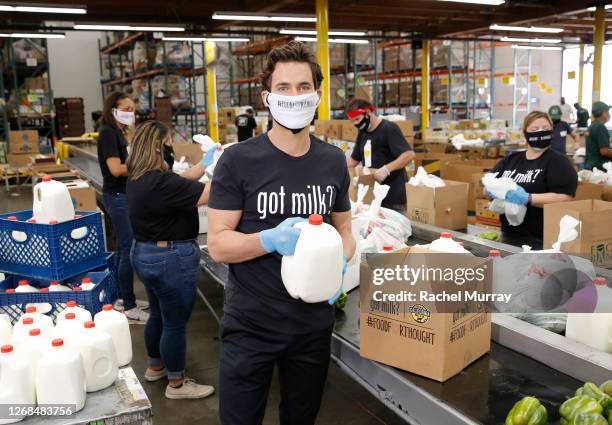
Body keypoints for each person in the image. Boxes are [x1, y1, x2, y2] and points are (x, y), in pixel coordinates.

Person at [207, 41, 356, 425]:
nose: (294, 96)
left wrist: (343, 257)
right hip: (251, 324)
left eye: (303, 87)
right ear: (267, 98)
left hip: (312, 325)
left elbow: (345, 227)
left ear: (318, 95)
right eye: (284, 88)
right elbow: (219, 244)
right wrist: (268, 239)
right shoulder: (238, 161)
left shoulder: (333, 160)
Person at [126, 120, 215, 399]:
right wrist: (228, 167)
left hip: (145, 253)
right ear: (156, 146)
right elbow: (207, 194)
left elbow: (181, 180)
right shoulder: (160, 182)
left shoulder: (140, 177)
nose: (170, 150)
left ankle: (156, 366)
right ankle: (177, 384)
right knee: (175, 323)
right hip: (170, 258)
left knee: (159, 315)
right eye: (167, 144)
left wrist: (205, 164)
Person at [97, 92, 149, 323]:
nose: (131, 112)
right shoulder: (108, 133)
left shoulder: (119, 132)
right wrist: (143, 164)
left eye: (132, 108)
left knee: (122, 250)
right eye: (126, 108)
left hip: (122, 195)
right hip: (117, 197)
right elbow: (116, 169)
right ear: (113, 110)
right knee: (129, 250)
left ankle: (121, 298)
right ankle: (128, 307)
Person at [488, 111, 577, 244]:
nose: (541, 132)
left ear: (552, 131)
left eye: (546, 129)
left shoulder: (558, 162)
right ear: (525, 133)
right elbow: (492, 182)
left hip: (541, 238)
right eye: (535, 129)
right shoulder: (511, 159)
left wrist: (529, 198)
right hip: (509, 234)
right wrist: (490, 190)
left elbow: (565, 197)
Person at [346, 98, 415, 212]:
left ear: (368, 113)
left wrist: (387, 169)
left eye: (357, 119)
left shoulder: (388, 128)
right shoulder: (363, 133)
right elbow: (354, 160)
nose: (356, 124)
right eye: (352, 121)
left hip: (393, 196)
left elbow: (409, 154)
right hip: (374, 196)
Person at [585, 101, 612, 171]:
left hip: (590, 165)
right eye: (607, 112)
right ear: (603, 113)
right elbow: (604, 151)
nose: (608, 114)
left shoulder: (591, 126)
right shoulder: (600, 127)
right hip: (600, 167)